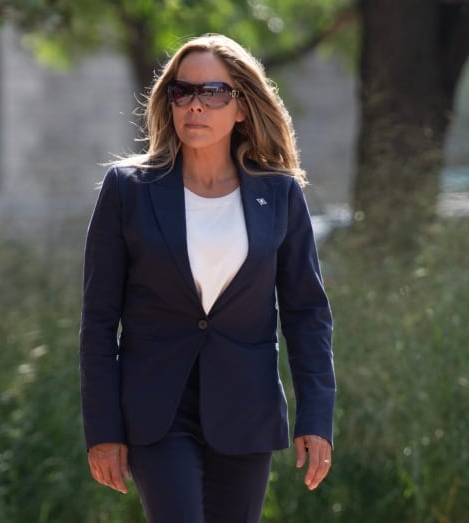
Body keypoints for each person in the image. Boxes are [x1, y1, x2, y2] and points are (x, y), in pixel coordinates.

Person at [79, 33, 336, 522]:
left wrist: (316, 416)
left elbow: (307, 313)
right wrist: (103, 430)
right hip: (158, 410)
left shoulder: (279, 193)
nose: (195, 106)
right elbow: (97, 321)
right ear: (170, 102)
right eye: (183, 92)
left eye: (213, 93)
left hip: (246, 407)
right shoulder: (128, 190)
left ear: (241, 107)